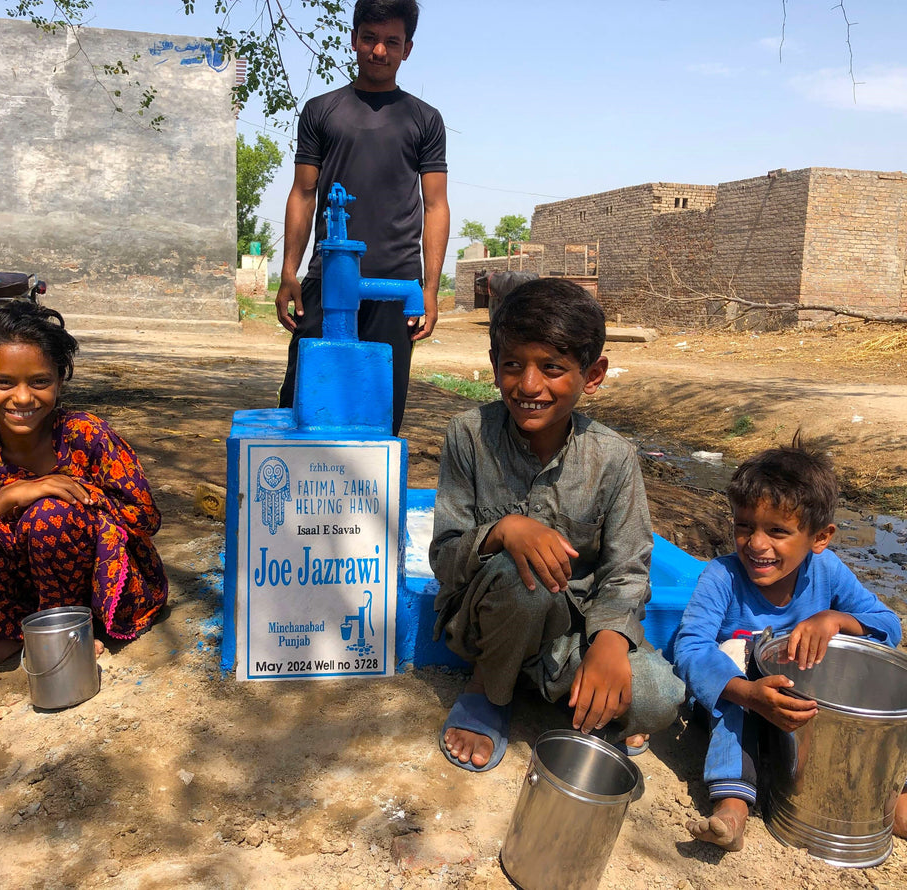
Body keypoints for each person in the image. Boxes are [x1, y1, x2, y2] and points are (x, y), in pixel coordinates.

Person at [429, 277, 685, 771]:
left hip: (571, 632)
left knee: (658, 698)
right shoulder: (467, 436)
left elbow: (627, 568)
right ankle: (489, 690)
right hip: (487, 620)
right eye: (512, 365)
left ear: (592, 375)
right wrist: (502, 531)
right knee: (523, 576)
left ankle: (546, 681)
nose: (528, 386)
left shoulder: (614, 457)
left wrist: (609, 639)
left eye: (552, 368)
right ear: (493, 364)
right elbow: (444, 558)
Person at [0, 302, 169, 671]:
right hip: (16, 589)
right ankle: (15, 633)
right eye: (3, 382)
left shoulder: (86, 434)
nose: (22, 398)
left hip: (95, 582)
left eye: (40, 382)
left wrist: (77, 495)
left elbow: (144, 517)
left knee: (52, 515)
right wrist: (8, 498)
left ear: (59, 380)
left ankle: (70, 631)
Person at [672, 440, 906, 851]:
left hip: (807, 711)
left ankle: (894, 803)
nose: (756, 544)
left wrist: (837, 620)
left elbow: (888, 628)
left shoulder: (827, 571)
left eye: (777, 531)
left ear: (820, 537)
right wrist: (745, 692)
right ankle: (733, 806)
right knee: (734, 660)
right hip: (741, 702)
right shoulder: (722, 576)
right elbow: (690, 646)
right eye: (744, 526)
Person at [275, 0, 450, 436]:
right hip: (327, 282)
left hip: (395, 289)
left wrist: (428, 290)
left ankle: (365, 504)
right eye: (369, 38)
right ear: (354, 40)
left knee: (379, 417)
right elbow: (303, 192)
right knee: (302, 404)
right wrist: (288, 271)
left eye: (391, 41)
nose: (378, 51)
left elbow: (435, 206)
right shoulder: (320, 111)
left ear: (407, 48)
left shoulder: (425, 120)